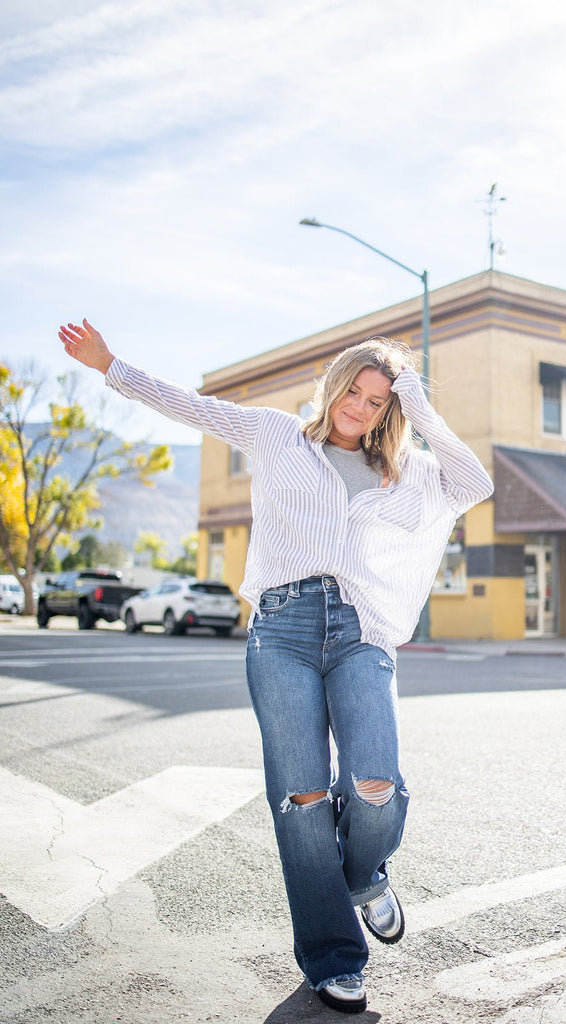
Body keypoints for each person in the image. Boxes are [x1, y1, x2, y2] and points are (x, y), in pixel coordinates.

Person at [58, 319, 493, 1014]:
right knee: (303, 802)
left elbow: (474, 482)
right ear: (333, 385)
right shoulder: (274, 434)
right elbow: (186, 405)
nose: (359, 406)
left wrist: (416, 397)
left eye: (377, 399)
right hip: (281, 632)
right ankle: (332, 957)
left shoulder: (405, 471)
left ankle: (362, 877)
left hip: (357, 633)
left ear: (391, 409)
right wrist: (110, 365)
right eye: (353, 389)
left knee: (376, 784)